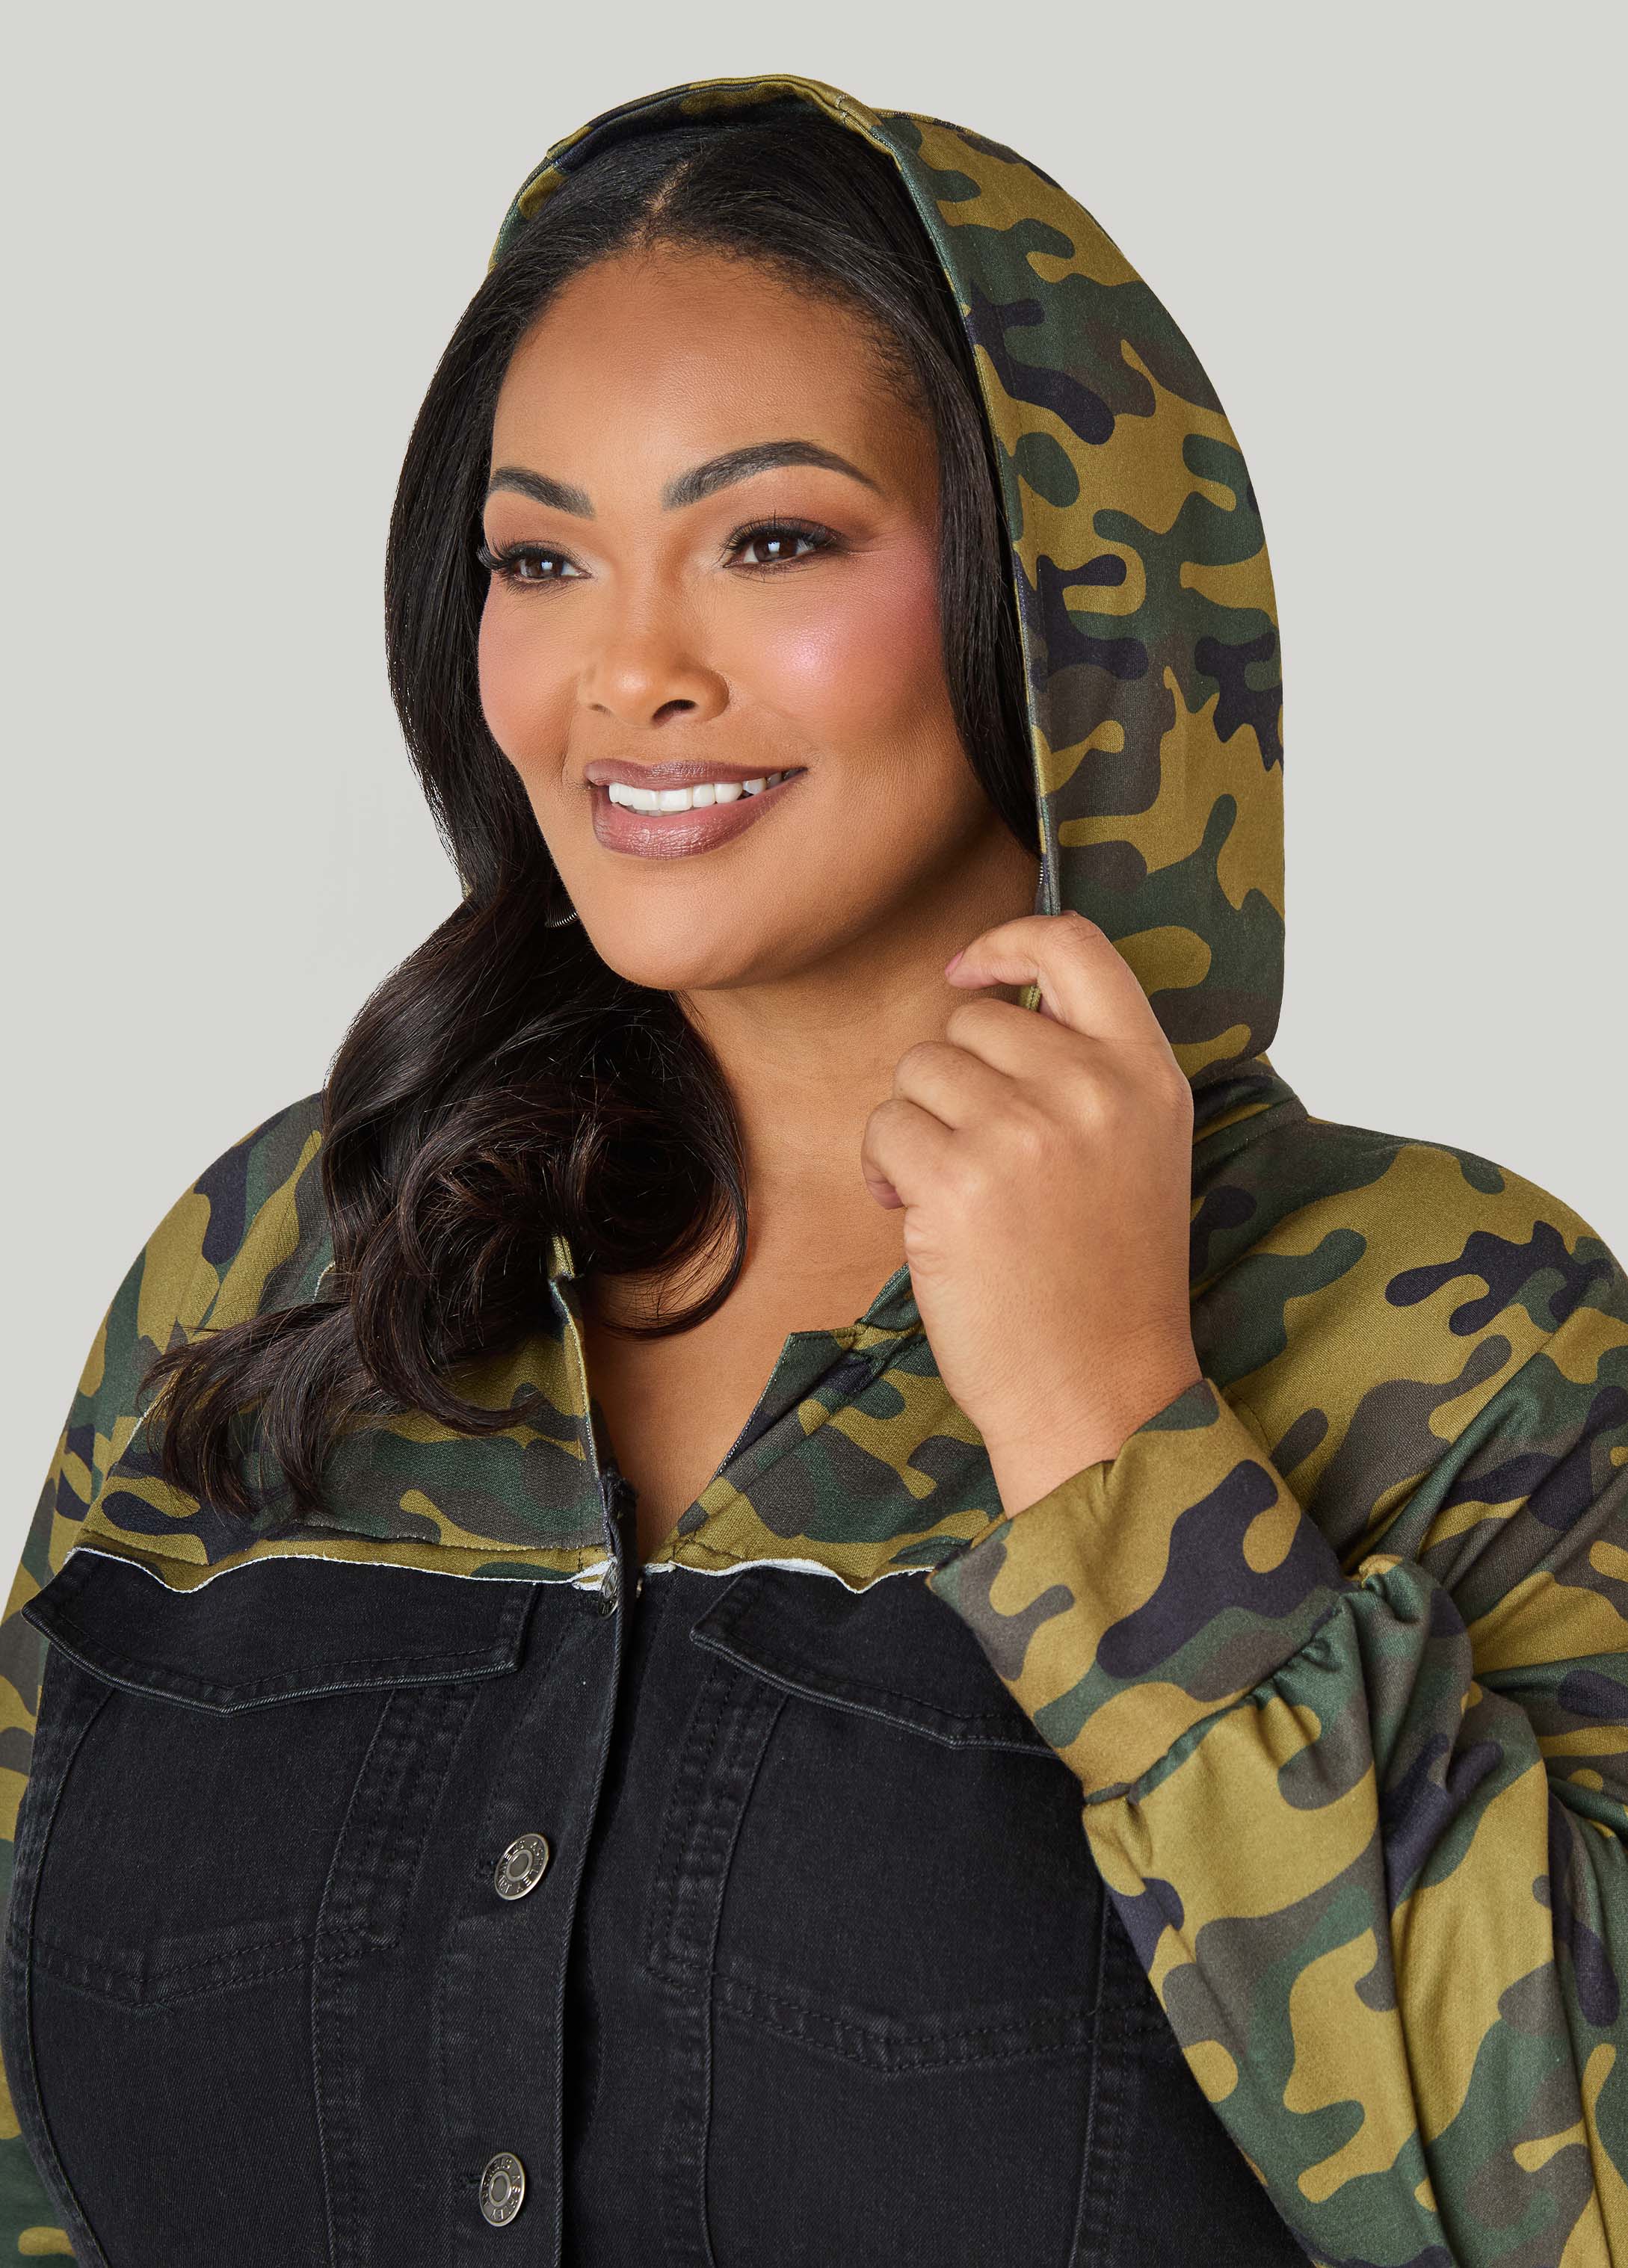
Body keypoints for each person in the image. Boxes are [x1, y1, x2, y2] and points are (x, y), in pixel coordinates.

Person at [1, 68, 1622, 2268]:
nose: (627, 672)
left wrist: (1113, 1434)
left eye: (771, 540)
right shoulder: (290, 1264)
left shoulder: (1450, 1338)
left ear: (1055, 594)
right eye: (540, 558)